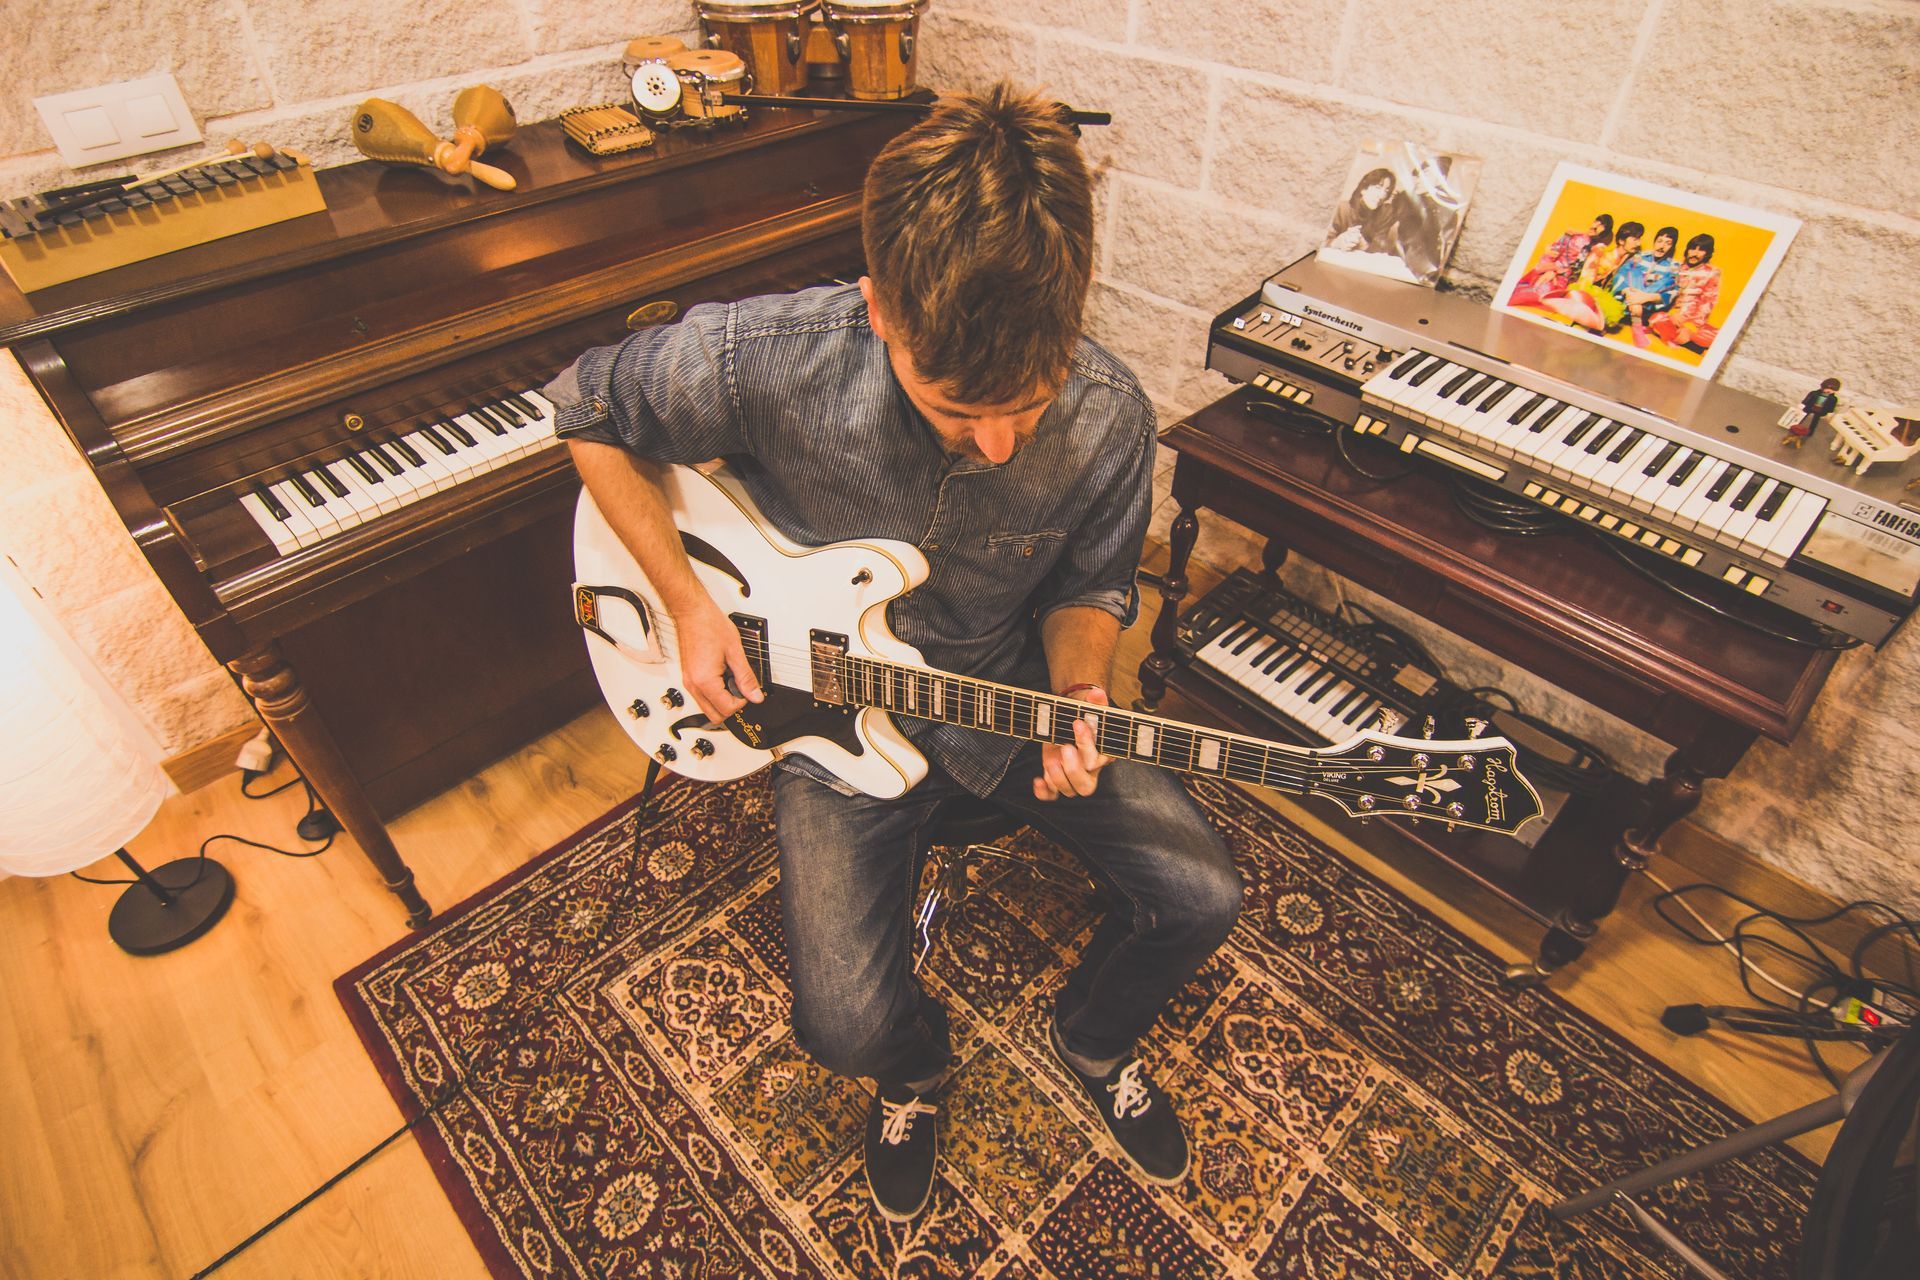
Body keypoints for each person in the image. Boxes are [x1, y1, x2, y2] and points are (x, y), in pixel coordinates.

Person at [548, 84, 1242, 1223]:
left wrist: (1080, 685)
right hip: (824, 719)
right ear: (879, 309)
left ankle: (1092, 1035)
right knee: (844, 1029)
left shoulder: (1112, 415)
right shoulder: (765, 357)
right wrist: (687, 603)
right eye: (958, 407)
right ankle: (915, 1071)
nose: (1001, 444)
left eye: (1031, 401)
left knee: (1203, 895)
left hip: (1000, 687)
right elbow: (584, 408)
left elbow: (1091, 586)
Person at [1543, 220, 1640, 332]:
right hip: (1582, 290)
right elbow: (1586, 277)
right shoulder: (1601, 251)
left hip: (1599, 294)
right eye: (1635, 239)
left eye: (1639, 239)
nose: (1638, 244)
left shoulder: (1625, 260)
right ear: (1621, 241)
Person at [1510, 214, 1612, 309]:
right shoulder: (1574, 236)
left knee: (1549, 298)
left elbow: (1584, 273)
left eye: (1601, 225)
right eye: (1596, 221)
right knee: (1534, 290)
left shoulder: (1596, 250)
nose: (1596, 226)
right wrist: (1550, 271)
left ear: (1604, 232)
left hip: (1565, 282)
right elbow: (1553, 252)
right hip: (1549, 270)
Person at [1648, 233, 1722, 351]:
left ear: (1707, 253)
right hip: (1673, 317)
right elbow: (1665, 292)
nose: (1695, 253)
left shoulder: (1712, 273)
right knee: (1656, 319)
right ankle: (1688, 342)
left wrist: (1691, 327)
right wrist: (1673, 314)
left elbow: (1708, 303)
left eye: (1701, 250)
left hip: (1695, 323)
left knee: (1720, 336)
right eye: (1692, 249)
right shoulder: (1677, 267)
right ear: (1687, 250)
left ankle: (1686, 338)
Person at [1611, 225, 1680, 347]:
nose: (1662, 246)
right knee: (1634, 272)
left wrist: (1645, 297)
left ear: (1672, 247)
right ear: (1655, 242)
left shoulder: (1673, 266)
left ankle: (1637, 319)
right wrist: (1629, 293)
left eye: (1668, 243)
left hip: (1647, 308)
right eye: (1660, 241)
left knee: (1666, 281)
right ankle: (1636, 324)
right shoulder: (1640, 256)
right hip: (1627, 301)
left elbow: (1672, 292)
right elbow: (1620, 275)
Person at [1326, 166, 1399, 254]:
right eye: (1378, 187)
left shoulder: (1384, 215)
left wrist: (1363, 245)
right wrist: (1336, 242)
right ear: (1363, 189)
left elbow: (1380, 248)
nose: (1381, 195)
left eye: (1386, 191)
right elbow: (1321, 241)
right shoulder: (1342, 209)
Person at [1783, 378, 1842, 447]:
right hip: (1809, 407)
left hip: (1820, 410)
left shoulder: (1833, 399)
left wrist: (1830, 413)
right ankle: (1795, 425)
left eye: (1832, 390)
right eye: (1827, 388)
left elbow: (1831, 406)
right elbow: (1806, 400)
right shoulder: (1814, 393)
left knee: (1815, 421)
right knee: (1802, 416)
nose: (1829, 391)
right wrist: (1801, 406)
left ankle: (1810, 432)